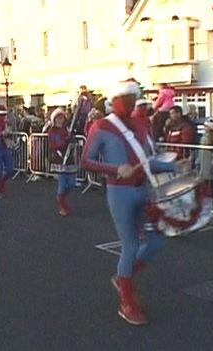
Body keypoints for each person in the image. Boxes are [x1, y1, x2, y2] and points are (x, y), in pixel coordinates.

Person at [82, 80, 176, 326]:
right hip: (119, 192)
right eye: (127, 97)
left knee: (156, 240)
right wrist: (114, 169)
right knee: (130, 245)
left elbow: (148, 161)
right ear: (114, 100)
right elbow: (86, 161)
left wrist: (176, 165)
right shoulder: (101, 126)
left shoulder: (140, 125)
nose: (132, 102)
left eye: (134, 97)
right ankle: (126, 298)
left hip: (143, 189)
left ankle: (124, 277)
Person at [48, 108, 76, 216]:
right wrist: (65, 142)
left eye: (62, 118)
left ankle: (62, 198)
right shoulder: (52, 131)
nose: (60, 120)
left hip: (69, 159)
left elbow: (73, 141)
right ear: (54, 119)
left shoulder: (67, 129)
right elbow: (52, 145)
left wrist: (72, 139)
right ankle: (62, 205)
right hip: (59, 160)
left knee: (72, 183)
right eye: (58, 118)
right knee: (62, 184)